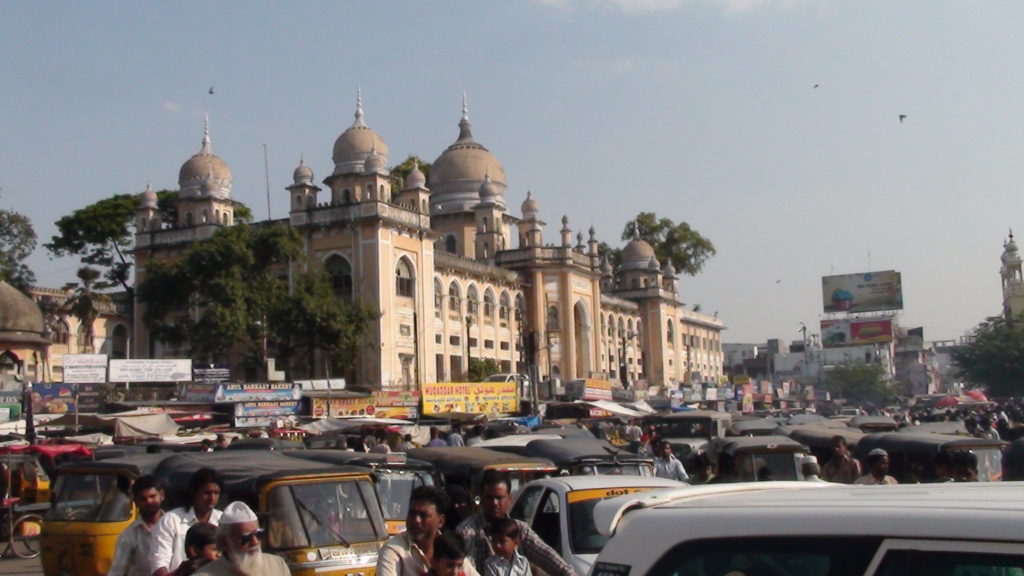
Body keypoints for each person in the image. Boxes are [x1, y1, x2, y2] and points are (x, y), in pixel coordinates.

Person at [456, 471, 577, 576]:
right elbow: (466, 569)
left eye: (499, 498)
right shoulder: (467, 531)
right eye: (489, 498)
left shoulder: (520, 529)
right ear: (481, 499)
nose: (494, 503)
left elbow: (548, 558)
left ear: (509, 498)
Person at [378, 485, 481, 576]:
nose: (416, 520)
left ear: (440, 521)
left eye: (423, 515)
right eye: (412, 513)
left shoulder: (450, 546)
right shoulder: (394, 550)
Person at [151, 468, 224, 576]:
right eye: (207, 493)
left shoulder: (223, 520)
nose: (212, 498)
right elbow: (159, 562)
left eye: (216, 493)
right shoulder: (171, 520)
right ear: (194, 493)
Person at [193, 501, 290, 576]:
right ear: (224, 542)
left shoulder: (277, 566)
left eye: (258, 535)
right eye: (246, 538)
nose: (254, 542)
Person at [109, 475, 166, 576]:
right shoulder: (128, 535)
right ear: (135, 501)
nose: (148, 502)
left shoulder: (175, 526)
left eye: (152, 496)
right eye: (143, 499)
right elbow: (117, 571)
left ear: (162, 495)